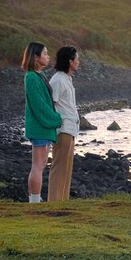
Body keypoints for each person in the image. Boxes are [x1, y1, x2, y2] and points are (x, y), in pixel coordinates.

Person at [21, 41, 62, 203]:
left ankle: (36, 199)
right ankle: (34, 201)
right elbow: (39, 105)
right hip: (39, 126)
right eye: (45, 54)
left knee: (42, 163)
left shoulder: (40, 75)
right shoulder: (31, 77)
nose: (48, 56)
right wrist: (56, 119)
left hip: (44, 127)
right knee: (37, 165)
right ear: (36, 58)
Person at [48, 46, 80, 201]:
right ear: (70, 61)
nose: (78, 62)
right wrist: (57, 123)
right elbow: (51, 105)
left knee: (66, 169)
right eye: (76, 59)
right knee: (59, 167)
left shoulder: (67, 78)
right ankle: (54, 202)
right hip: (63, 129)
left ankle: (63, 202)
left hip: (71, 128)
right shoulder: (58, 80)